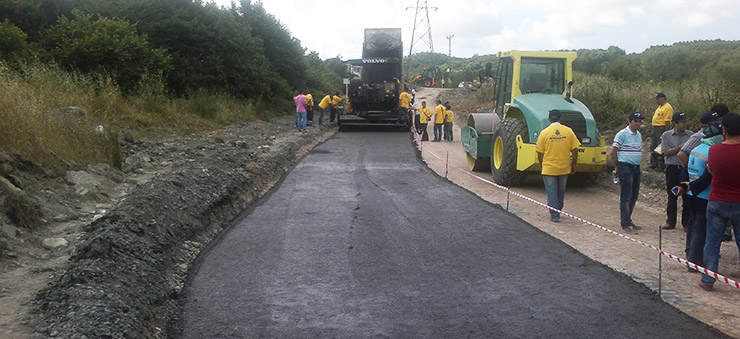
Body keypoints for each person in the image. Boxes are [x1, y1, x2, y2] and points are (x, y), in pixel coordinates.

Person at [699, 113, 740, 291]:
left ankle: (707, 280)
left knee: (713, 242)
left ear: (724, 131)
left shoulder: (714, 151)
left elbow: (712, 172)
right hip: (738, 202)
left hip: (717, 200)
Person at [675, 119, 723, 271]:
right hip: (703, 197)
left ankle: (690, 256)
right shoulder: (712, 152)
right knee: (700, 231)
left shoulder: (697, 148)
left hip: (691, 196)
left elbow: (685, 172)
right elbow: (707, 177)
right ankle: (695, 263)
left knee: (692, 228)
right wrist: (694, 187)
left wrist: (685, 186)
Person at [536, 110, 580, 222]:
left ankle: (554, 215)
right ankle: (558, 209)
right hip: (564, 167)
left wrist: (542, 165)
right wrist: (573, 164)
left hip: (549, 168)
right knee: (561, 190)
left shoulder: (544, 133)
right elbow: (575, 150)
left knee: (551, 191)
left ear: (549, 119)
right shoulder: (568, 131)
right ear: (560, 119)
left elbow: (540, 152)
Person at [611, 112, 644, 234]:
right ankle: (625, 223)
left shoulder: (638, 135)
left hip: (636, 168)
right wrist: (617, 165)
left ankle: (628, 219)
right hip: (625, 167)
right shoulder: (622, 134)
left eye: (639, 121)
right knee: (626, 196)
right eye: (635, 121)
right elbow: (614, 151)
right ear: (629, 122)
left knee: (634, 196)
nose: (637, 123)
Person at [660, 112, 693, 230]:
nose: (685, 124)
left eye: (685, 121)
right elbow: (665, 152)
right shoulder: (666, 135)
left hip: (686, 169)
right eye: (682, 122)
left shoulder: (691, 135)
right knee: (672, 195)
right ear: (675, 123)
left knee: (687, 195)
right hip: (672, 168)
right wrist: (681, 148)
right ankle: (671, 221)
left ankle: (687, 223)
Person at [650, 93, 673, 171]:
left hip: (661, 128)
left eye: (658, 99)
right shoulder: (660, 107)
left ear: (662, 98)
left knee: (660, 147)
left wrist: (666, 133)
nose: (656, 101)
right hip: (656, 128)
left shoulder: (667, 107)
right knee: (653, 146)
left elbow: (667, 122)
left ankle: (661, 165)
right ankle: (653, 163)